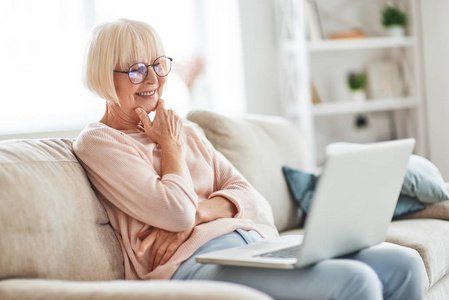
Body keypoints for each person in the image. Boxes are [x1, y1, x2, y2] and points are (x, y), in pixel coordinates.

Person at [74, 19, 427, 300]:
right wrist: (169, 147)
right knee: (355, 282)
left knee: (405, 264)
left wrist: (200, 213)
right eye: (136, 70)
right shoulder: (101, 141)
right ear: (106, 78)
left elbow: (246, 194)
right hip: (189, 266)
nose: (152, 79)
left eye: (158, 65)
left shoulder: (185, 131)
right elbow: (176, 210)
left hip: (252, 245)